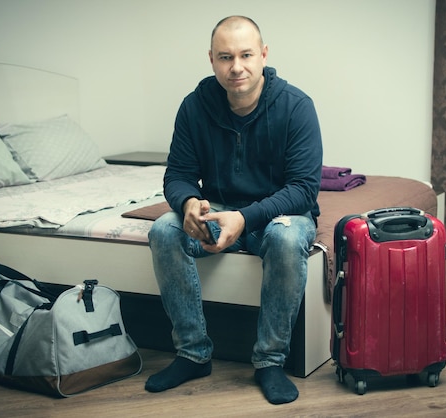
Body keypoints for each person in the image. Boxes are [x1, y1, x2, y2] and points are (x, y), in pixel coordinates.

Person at [145, 15, 322, 405]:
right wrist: (189, 202)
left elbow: (305, 190)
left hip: (277, 215)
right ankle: (192, 353)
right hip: (220, 213)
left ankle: (270, 361)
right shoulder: (195, 107)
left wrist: (245, 218)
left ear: (263, 55)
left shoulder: (296, 107)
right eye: (225, 57)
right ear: (211, 59)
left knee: (286, 235)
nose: (236, 67)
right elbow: (178, 175)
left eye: (245, 55)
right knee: (162, 230)